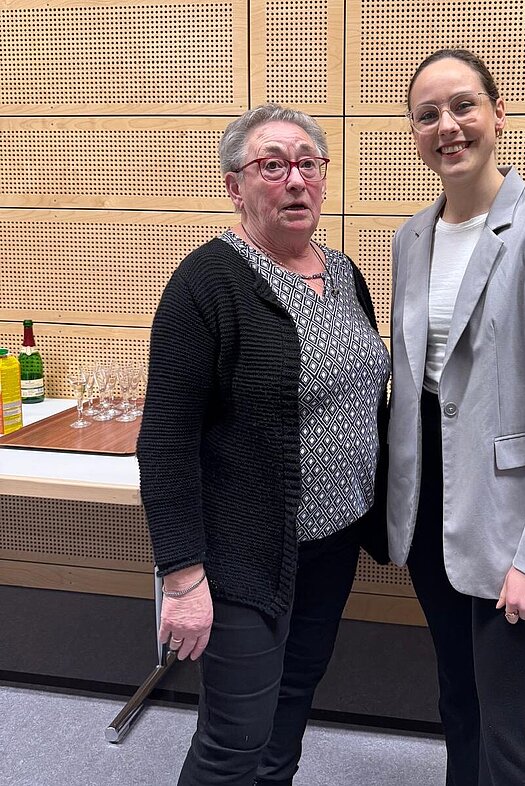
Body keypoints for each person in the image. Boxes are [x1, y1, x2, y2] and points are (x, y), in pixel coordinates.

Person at [137, 104, 390, 786]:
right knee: (236, 737)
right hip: (243, 556)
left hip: (332, 546)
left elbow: (369, 395)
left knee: (289, 714)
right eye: (272, 165)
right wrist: (183, 577)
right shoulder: (205, 285)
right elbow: (164, 441)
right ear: (234, 185)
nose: (295, 180)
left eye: (309, 163)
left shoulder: (344, 273)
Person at [386, 50, 525, 785]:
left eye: (462, 106)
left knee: (512, 729)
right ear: (413, 132)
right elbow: (419, 383)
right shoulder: (411, 237)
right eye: (427, 114)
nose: (446, 126)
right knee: (461, 704)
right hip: (432, 514)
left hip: (517, 521)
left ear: (498, 114)